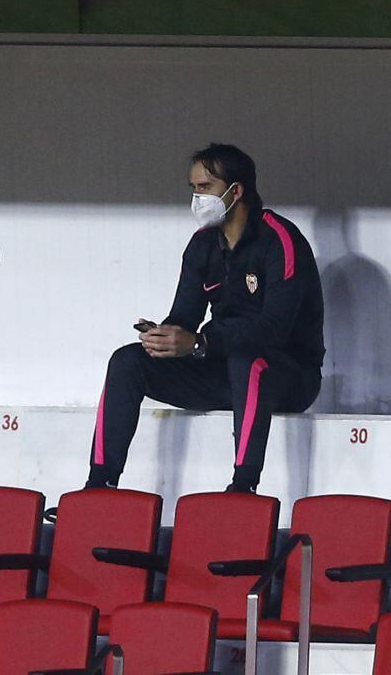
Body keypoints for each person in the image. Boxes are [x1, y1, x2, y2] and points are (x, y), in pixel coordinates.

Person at [86, 143, 324, 493]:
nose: (197, 198)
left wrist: (200, 343)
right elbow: (185, 315)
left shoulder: (280, 239)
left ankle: (243, 487)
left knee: (248, 362)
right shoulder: (201, 245)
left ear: (236, 190)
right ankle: (99, 484)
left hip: (288, 375)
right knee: (127, 361)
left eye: (205, 188)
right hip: (220, 369)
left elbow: (275, 330)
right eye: (194, 188)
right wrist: (165, 336)